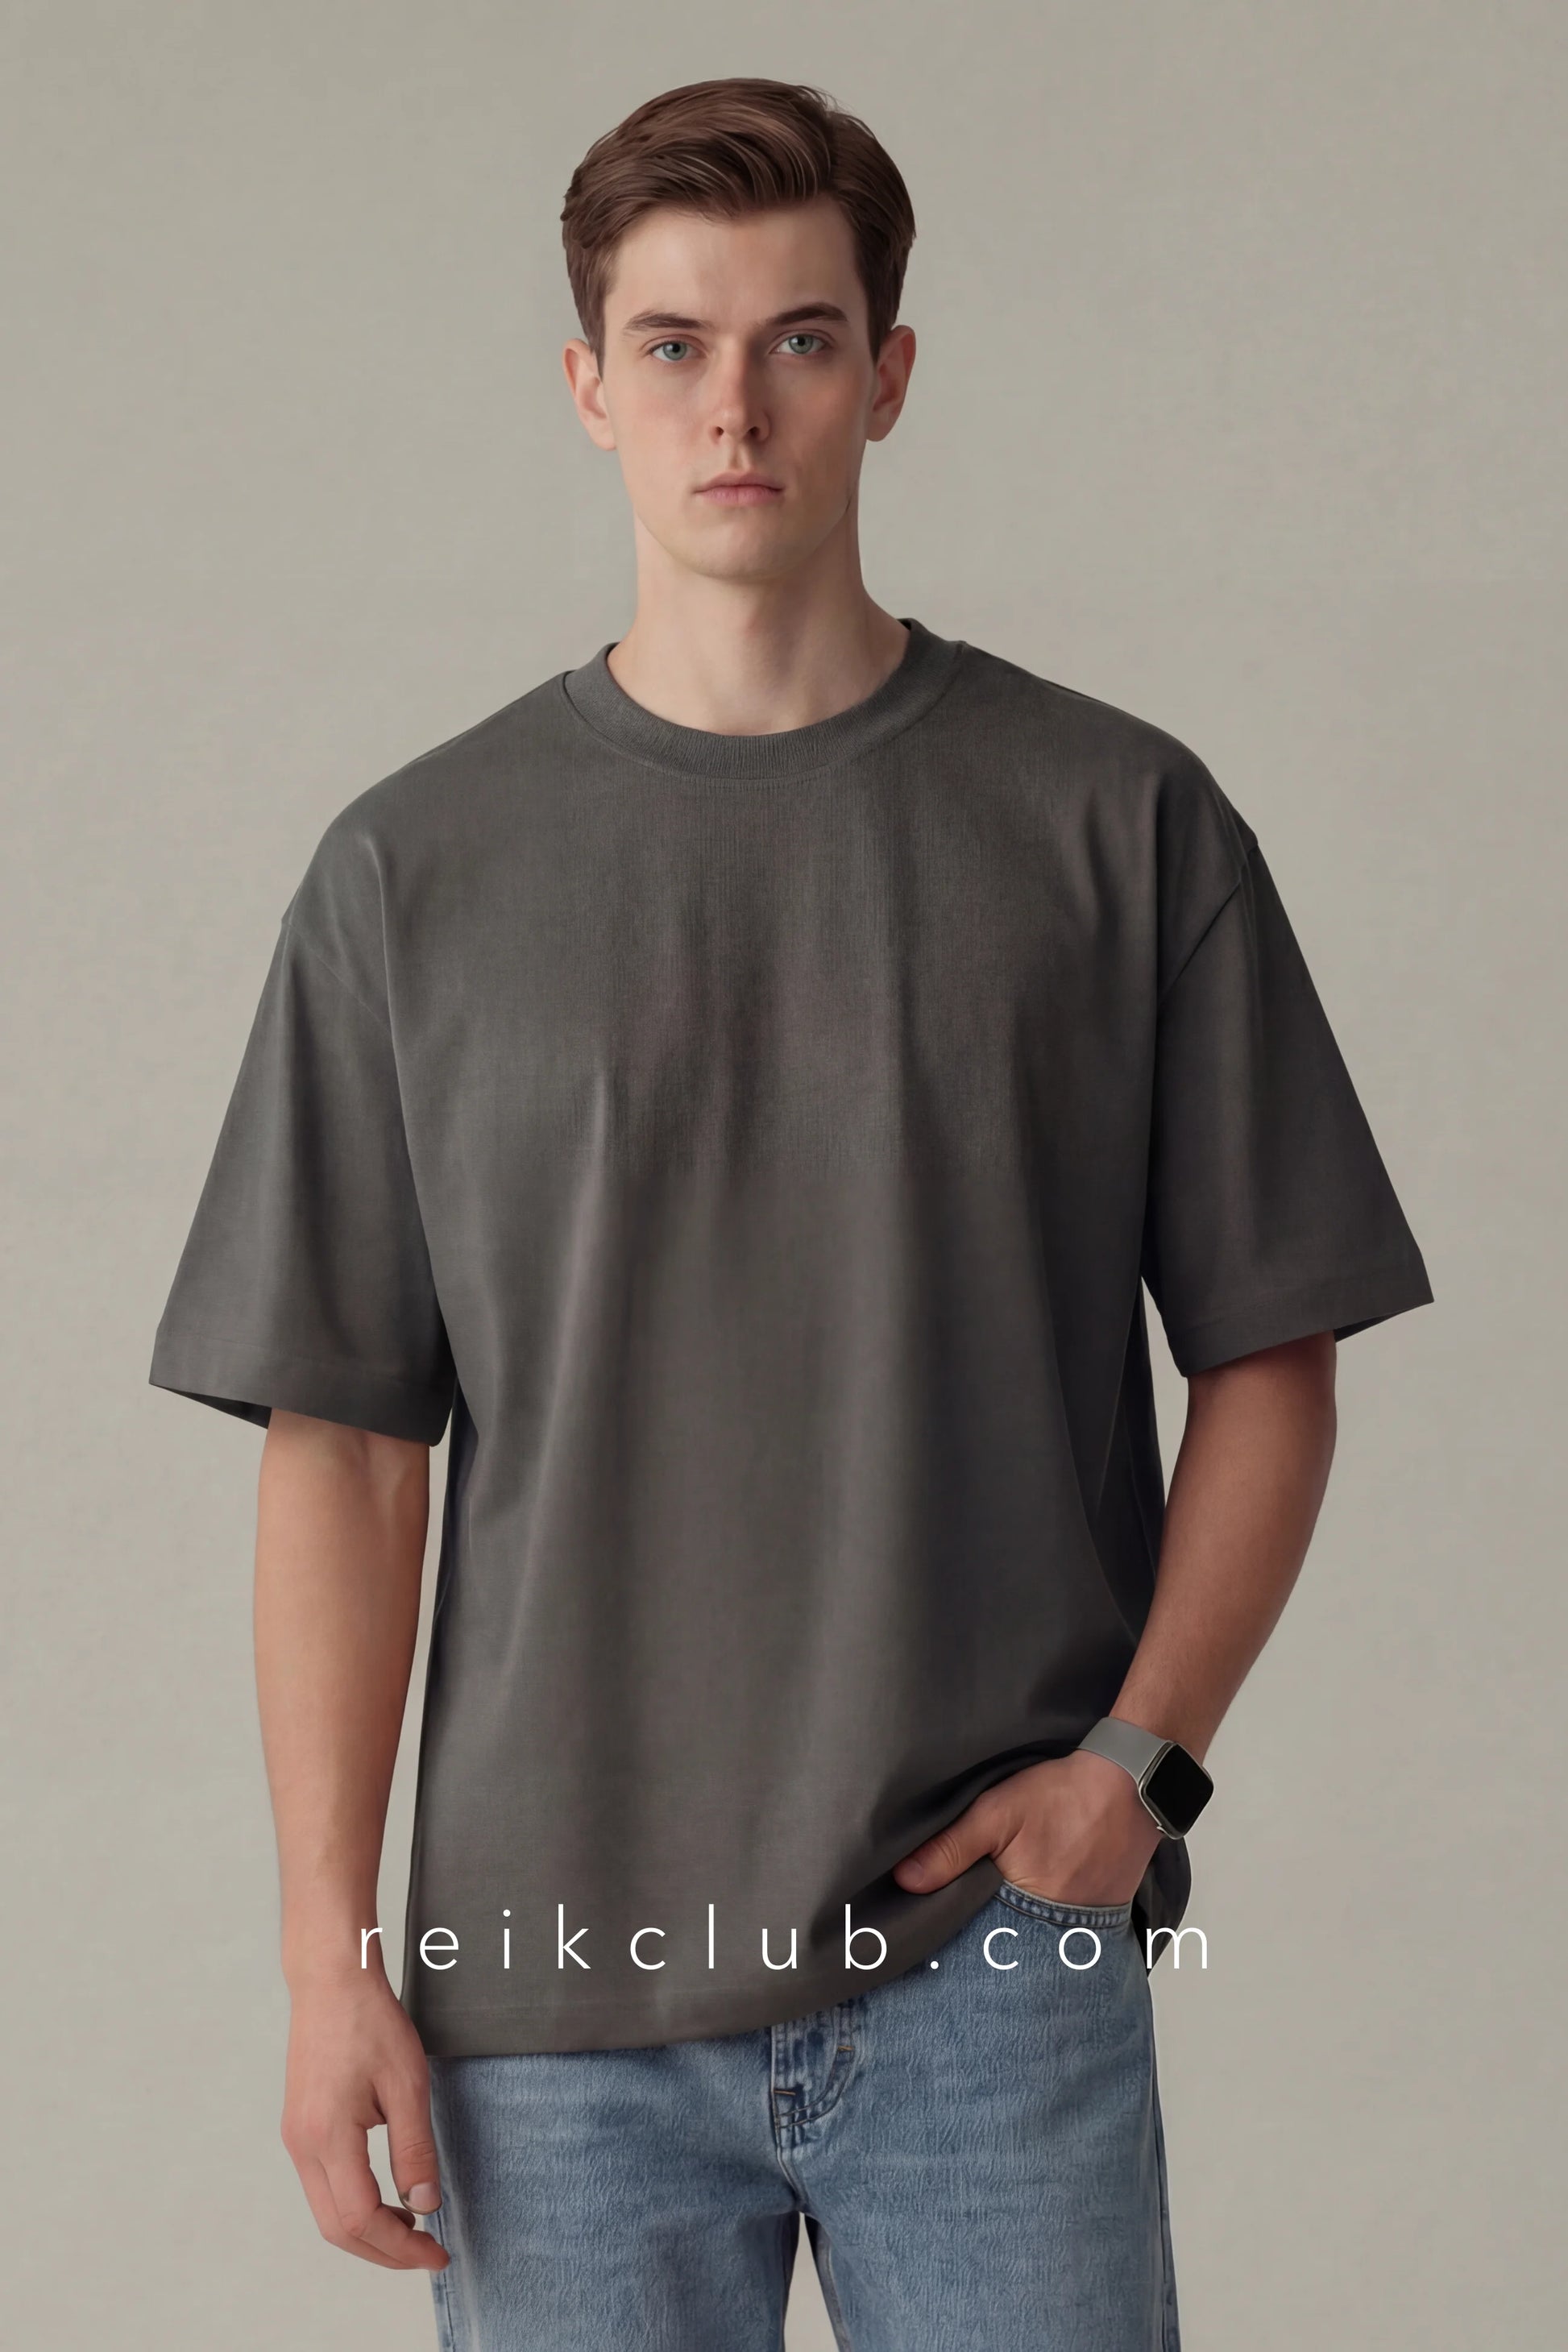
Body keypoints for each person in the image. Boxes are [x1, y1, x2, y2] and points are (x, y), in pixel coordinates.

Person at [149, 75, 1433, 2352]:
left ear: (889, 376)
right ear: (587, 384)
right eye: (671, 345)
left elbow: (1273, 1346)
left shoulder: (1115, 824)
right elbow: (342, 1451)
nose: (731, 407)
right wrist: (330, 1964)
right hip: (546, 2005)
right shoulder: (409, 876)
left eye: (798, 341)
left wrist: (1136, 1773)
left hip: (991, 1970)